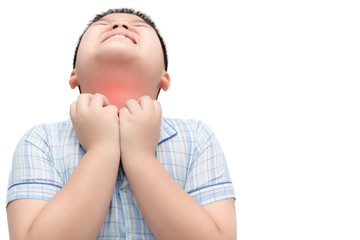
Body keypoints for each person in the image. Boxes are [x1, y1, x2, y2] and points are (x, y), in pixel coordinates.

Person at [6, 8, 236, 240]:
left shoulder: (196, 138)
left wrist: (141, 155)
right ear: (74, 74)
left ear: (164, 77)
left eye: (139, 25)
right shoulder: (40, 141)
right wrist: (101, 149)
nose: (120, 26)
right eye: (103, 24)